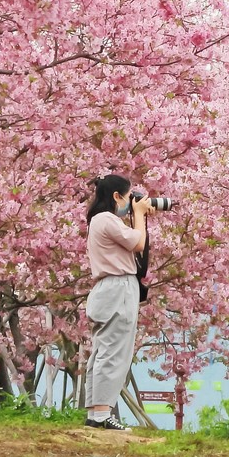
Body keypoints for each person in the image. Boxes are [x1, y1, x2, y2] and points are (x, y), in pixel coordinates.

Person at [83, 174, 153, 431]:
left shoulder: (97, 221)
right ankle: (102, 415)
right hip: (117, 289)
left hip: (107, 289)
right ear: (116, 196)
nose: (130, 201)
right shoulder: (107, 220)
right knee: (114, 352)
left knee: (104, 351)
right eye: (128, 196)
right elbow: (138, 243)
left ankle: (95, 412)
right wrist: (141, 215)